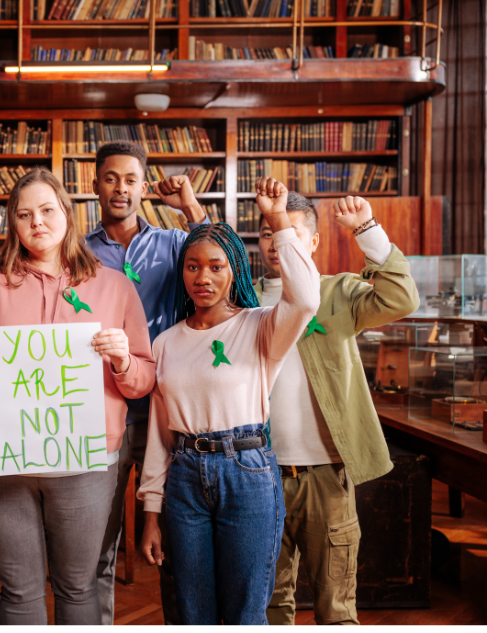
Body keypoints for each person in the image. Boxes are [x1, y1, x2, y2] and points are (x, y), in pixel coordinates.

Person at [0, 167, 156, 625]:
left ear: (67, 215)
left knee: (78, 587)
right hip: (3, 459)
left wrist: (122, 360)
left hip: (85, 461)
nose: (37, 222)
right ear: (12, 225)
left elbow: (141, 381)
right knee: (18, 590)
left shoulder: (113, 285)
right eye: (24, 214)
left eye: (47, 210)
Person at [138, 178, 321, 625]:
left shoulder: (261, 327)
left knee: (245, 610)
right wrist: (150, 512)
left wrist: (279, 220)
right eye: (193, 266)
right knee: (192, 610)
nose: (203, 278)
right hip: (183, 477)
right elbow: (160, 437)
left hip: (247, 472)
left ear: (234, 270)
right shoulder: (164, 342)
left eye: (217, 267)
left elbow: (306, 298)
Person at [254, 189, 420, 625]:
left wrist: (368, 230)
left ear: (312, 242)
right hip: (256, 473)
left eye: (290, 231)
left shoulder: (338, 292)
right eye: (268, 231)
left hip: (325, 474)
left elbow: (400, 300)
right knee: (268, 602)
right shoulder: (241, 300)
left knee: (336, 603)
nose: (277, 240)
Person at [84, 140, 208, 625]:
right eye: (111, 177)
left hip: (169, 405)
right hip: (103, 405)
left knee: (179, 537)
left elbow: (227, 258)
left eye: (130, 179)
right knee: (99, 537)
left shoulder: (176, 243)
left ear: (143, 186)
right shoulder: (79, 251)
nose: (120, 188)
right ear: (95, 184)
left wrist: (190, 206)